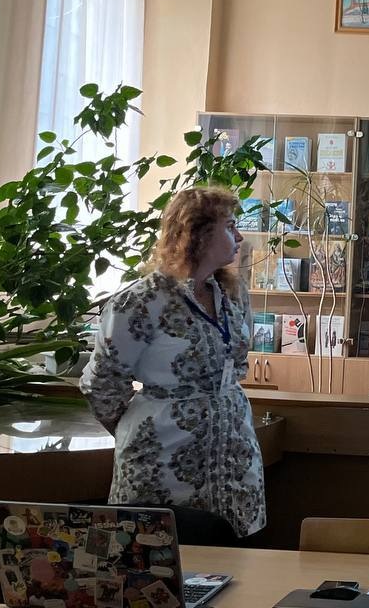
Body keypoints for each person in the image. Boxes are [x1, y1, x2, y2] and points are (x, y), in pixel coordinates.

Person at [80, 186, 265, 539]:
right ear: (197, 234)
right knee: (160, 553)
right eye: (230, 226)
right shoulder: (140, 301)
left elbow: (237, 364)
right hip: (162, 458)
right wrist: (146, 424)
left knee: (234, 558)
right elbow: (101, 384)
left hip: (232, 457)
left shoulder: (232, 294)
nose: (239, 236)